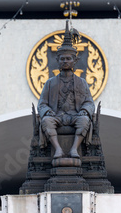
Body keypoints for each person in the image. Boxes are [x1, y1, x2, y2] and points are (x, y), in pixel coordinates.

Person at [38, 22, 95, 159]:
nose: (65, 61)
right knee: (46, 121)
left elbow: (89, 102)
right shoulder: (50, 83)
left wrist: (85, 110)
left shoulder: (82, 83)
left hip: (74, 116)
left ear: (74, 61)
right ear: (58, 60)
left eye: (68, 59)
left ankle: (74, 149)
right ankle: (57, 149)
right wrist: (47, 111)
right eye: (62, 59)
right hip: (57, 116)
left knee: (84, 120)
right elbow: (42, 104)